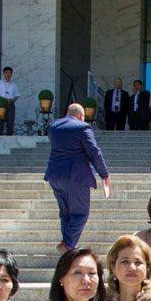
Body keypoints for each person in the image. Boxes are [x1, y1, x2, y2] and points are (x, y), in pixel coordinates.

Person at [44, 104, 110, 253]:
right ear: (81, 116)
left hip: (54, 175)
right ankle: (67, 244)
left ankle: (69, 245)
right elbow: (94, 152)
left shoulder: (53, 126)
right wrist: (104, 173)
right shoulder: (82, 127)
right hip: (75, 176)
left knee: (65, 213)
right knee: (80, 214)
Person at [0, 66, 19, 136]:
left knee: (10, 122)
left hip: (10, 105)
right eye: (6, 73)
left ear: (11, 74)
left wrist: (12, 100)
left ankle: (9, 137)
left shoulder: (13, 84)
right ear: (3, 73)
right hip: (1, 106)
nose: (8, 74)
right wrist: (2, 100)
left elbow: (17, 95)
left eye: (9, 73)